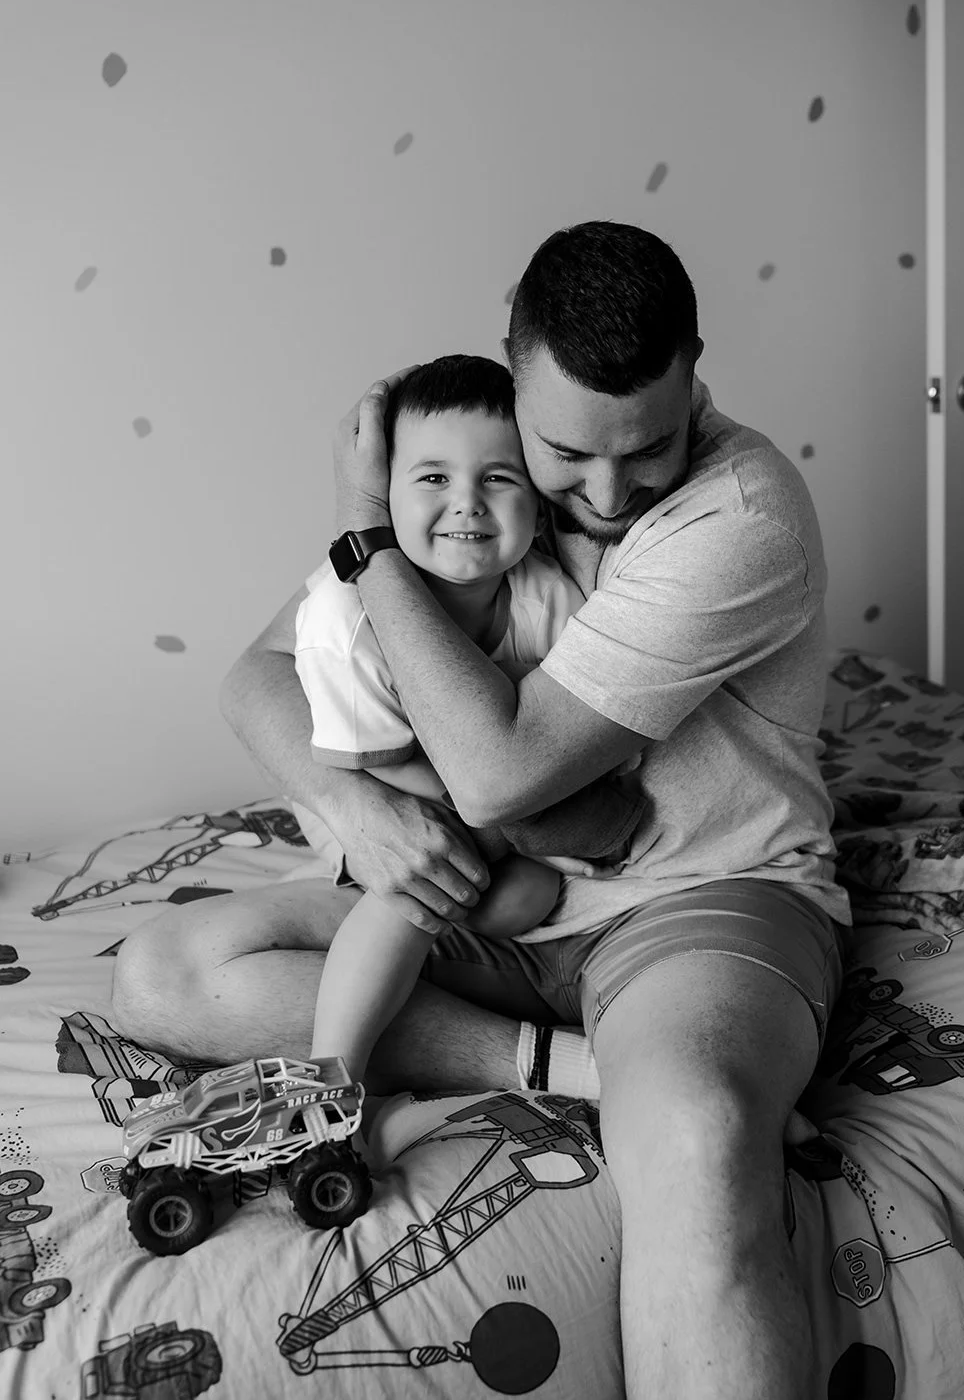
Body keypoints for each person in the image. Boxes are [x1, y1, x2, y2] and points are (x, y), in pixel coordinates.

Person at [111, 220, 850, 1400]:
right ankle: (571, 1065)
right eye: (565, 452)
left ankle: (646, 1074)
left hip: (690, 900)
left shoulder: (737, 517)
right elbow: (256, 676)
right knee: (163, 975)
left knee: (699, 1133)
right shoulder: (481, 474)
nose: (605, 492)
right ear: (514, 384)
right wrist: (357, 812)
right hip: (489, 902)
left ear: (694, 375)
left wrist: (367, 535)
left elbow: (502, 777)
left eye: (647, 448)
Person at [295, 353, 644, 1079]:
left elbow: (570, 738)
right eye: (432, 478)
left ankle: (467, 1002)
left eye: (498, 478)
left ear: (539, 505)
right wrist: (508, 812)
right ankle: (333, 1075)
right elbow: (376, 771)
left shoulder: (547, 597)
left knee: (528, 897)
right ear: (381, 498)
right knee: (414, 898)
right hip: (387, 797)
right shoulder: (343, 621)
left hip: (499, 802)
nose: (467, 503)